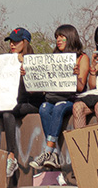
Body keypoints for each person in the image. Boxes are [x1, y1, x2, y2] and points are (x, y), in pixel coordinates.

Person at [0, 27, 45, 179]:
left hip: (31, 102)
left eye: (16, 42)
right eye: (11, 41)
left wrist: (27, 73)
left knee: (8, 112)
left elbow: (36, 90)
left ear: (25, 42)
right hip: (13, 102)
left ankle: (11, 157)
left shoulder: (34, 60)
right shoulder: (7, 61)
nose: (12, 45)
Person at [30, 24, 90, 170]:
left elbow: (81, 87)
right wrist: (29, 76)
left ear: (70, 37)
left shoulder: (82, 58)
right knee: (44, 108)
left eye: (62, 36)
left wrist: (75, 75)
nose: (58, 40)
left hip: (71, 100)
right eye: (57, 37)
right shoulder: (53, 58)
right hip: (52, 98)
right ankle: (55, 153)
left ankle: (48, 151)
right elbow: (40, 85)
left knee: (59, 107)